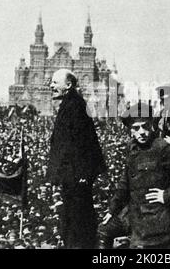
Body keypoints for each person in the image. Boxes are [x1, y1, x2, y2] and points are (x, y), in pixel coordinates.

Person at [102, 102, 170, 248]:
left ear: (151, 124)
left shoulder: (161, 147)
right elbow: (125, 181)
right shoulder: (132, 148)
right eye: (136, 128)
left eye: (145, 126)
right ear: (131, 131)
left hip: (158, 221)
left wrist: (169, 195)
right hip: (136, 219)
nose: (141, 132)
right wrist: (113, 208)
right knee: (104, 232)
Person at [48, 69, 106, 249]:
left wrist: (82, 174)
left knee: (77, 224)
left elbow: (81, 142)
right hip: (72, 175)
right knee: (73, 221)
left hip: (76, 177)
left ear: (68, 85)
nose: (51, 86)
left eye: (55, 83)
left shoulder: (74, 105)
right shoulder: (71, 103)